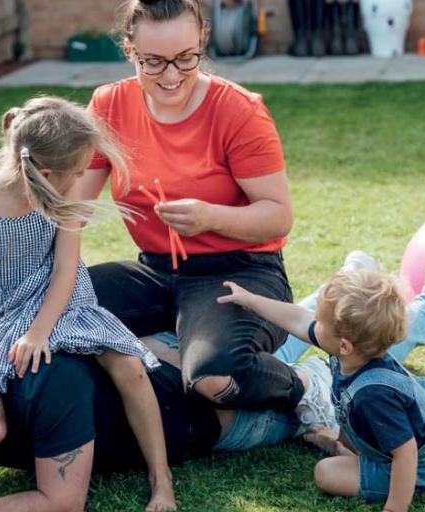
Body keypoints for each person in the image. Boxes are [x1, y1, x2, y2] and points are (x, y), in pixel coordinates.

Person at [0, 96, 175, 511]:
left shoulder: (62, 195)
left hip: (56, 295)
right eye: (78, 170)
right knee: (8, 372)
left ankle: (161, 479)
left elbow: (65, 271)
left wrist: (38, 332)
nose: (83, 178)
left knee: (128, 365)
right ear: (48, 172)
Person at [81, 0, 305, 412]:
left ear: (202, 41)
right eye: (153, 62)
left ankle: (309, 384)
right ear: (129, 51)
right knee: (54, 309)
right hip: (155, 270)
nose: (171, 76)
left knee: (216, 378)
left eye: (186, 59)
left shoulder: (238, 110)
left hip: (239, 270)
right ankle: (173, 345)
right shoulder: (109, 105)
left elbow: (278, 215)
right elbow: (74, 204)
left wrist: (209, 217)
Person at [0, 331, 336, 511]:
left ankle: (394, 319)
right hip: (169, 359)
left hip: (208, 415)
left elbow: (60, 503)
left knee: (335, 372)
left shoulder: (43, 382)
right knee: (299, 339)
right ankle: (357, 280)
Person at [218, 255, 425, 511]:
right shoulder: (351, 353)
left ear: (345, 345)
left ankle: (353, 455)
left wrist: (395, 508)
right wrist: (250, 300)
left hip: (420, 469)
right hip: (399, 443)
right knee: (344, 440)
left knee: (326, 473)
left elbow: (406, 453)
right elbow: (298, 318)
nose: (313, 325)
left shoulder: (374, 394)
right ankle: (342, 446)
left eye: (319, 322)